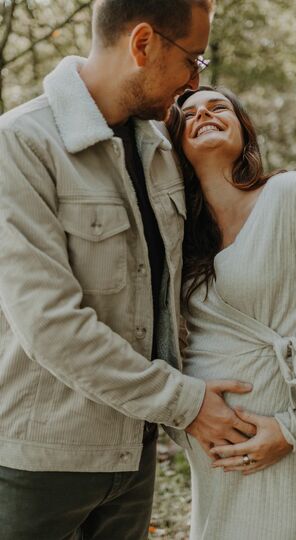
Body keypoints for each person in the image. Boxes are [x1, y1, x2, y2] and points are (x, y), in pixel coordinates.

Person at [0, 4, 257, 539]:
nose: (195, 79)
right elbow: (50, 324)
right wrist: (186, 404)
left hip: (134, 454)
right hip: (41, 464)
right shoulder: (20, 145)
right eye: (193, 58)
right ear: (143, 44)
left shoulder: (161, 145)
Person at [166, 85, 296, 540]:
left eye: (219, 107)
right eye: (188, 114)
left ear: (244, 130)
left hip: (289, 441)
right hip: (213, 448)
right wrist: (189, 409)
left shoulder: (292, 196)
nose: (204, 114)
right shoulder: (179, 236)